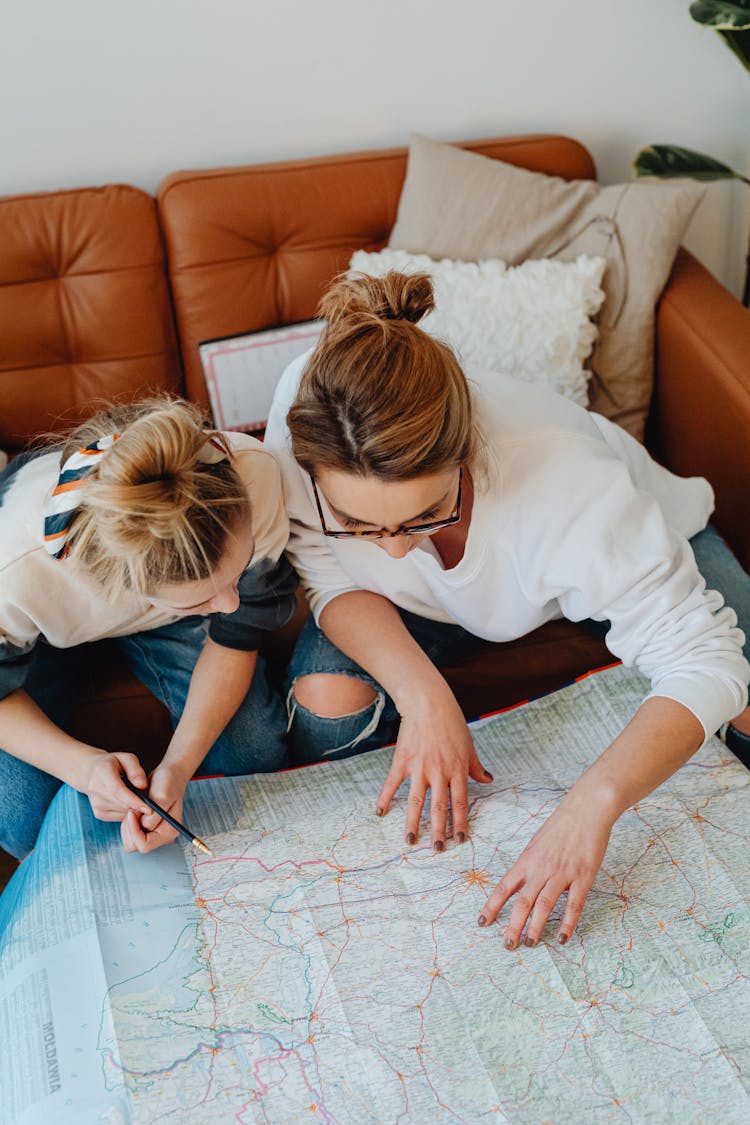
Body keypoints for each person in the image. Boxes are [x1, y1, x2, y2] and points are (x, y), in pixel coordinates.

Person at [263, 270, 750, 950]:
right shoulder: (303, 411)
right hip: (424, 613)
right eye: (360, 524)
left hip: (623, 548)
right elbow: (323, 573)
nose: (397, 551)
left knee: (743, 706)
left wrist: (590, 807)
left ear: (465, 454)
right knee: (325, 707)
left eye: (428, 513)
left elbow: (707, 658)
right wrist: (425, 695)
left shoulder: (568, 484)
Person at [0, 396, 297, 860]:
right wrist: (84, 768)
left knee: (251, 755)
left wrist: (178, 768)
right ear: (114, 582)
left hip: (163, 619)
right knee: (22, 816)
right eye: (203, 597)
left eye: (236, 573)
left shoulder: (254, 476)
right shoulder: (13, 570)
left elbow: (236, 634)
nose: (231, 603)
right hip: (35, 635)